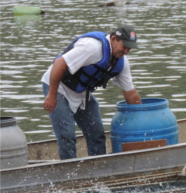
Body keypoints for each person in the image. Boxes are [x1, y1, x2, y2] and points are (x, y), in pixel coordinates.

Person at [42, 25, 142, 160]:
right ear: (113, 39)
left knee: (97, 133)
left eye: (129, 48)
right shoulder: (92, 47)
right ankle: (70, 175)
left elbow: (130, 93)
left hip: (82, 92)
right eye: (124, 46)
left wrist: (141, 116)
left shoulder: (122, 63)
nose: (126, 51)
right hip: (58, 87)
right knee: (67, 135)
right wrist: (51, 95)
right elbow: (59, 63)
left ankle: (98, 170)